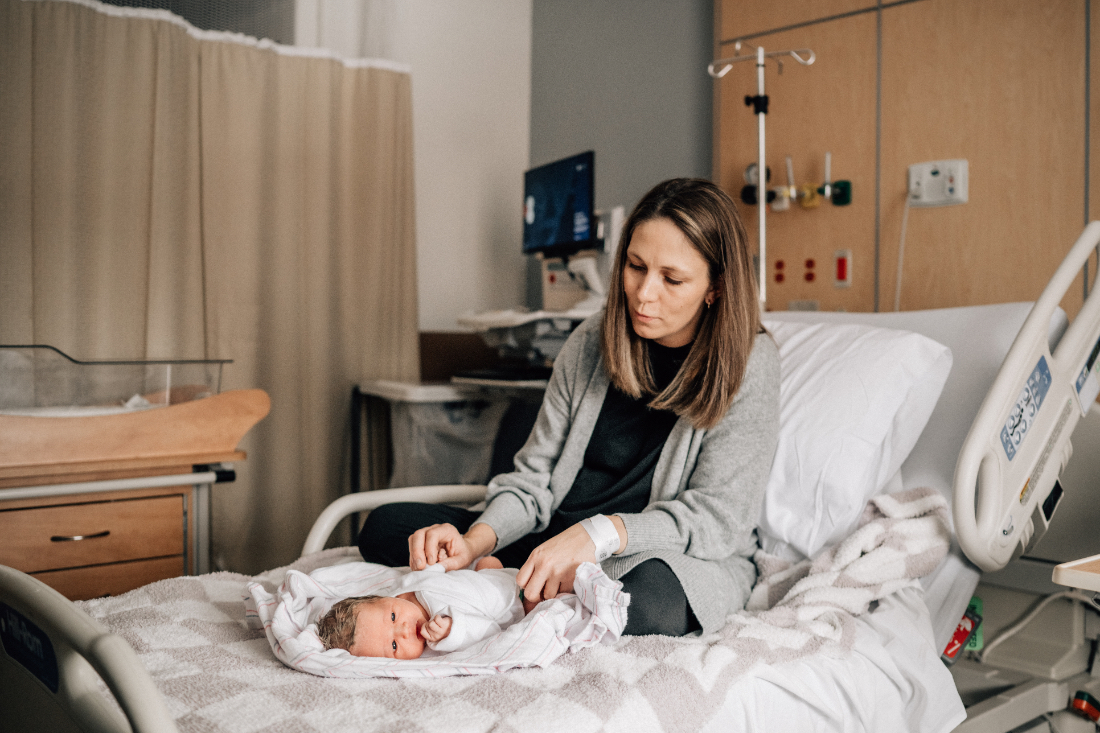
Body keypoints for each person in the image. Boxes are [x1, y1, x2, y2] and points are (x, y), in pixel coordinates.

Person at [359, 178, 780, 636]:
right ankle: (509, 579)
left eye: (672, 279)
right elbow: (534, 477)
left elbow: (715, 520)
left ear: (715, 287)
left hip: (658, 553)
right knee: (386, 526)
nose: (643, 294)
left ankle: (510, 585)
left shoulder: (749, 364)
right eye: (636, 267)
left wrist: (598, 535)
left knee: (649, 599)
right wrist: (472, 541)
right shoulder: (590, 342)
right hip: (555, 537)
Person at [317, 557, 538, 659]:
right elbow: (489, 632)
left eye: (393, 616)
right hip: (513, 604)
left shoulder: (403, 587)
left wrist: (438, 562)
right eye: (394, 645)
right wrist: (452, 630)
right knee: (540, 601)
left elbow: (431, 573)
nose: (403, 631)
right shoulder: (437, 641)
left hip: (487, 577)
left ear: (384, 598)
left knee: (487, 562)